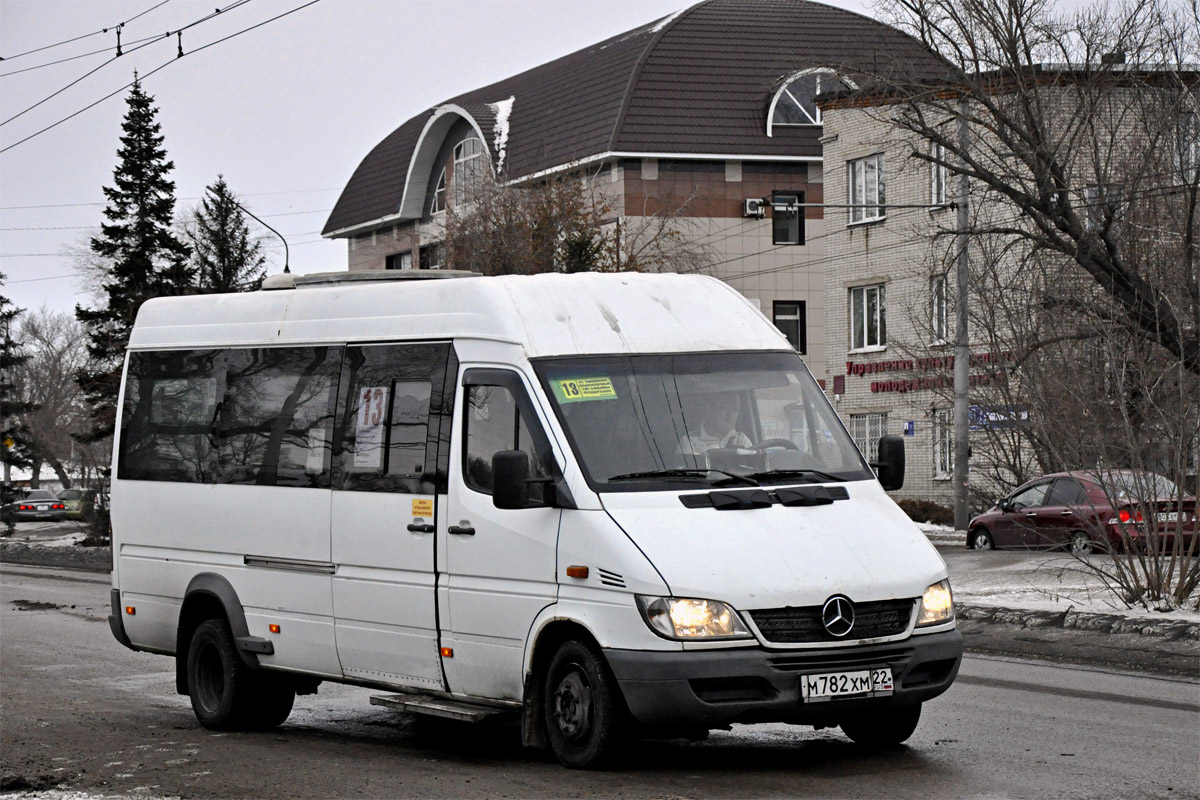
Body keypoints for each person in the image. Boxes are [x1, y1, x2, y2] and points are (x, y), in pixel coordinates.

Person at [682, 392, 752, 457]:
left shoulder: (741, 440)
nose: (730, 414)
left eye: (735, 409)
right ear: (709, 409)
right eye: (725, 408)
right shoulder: (689, 441)